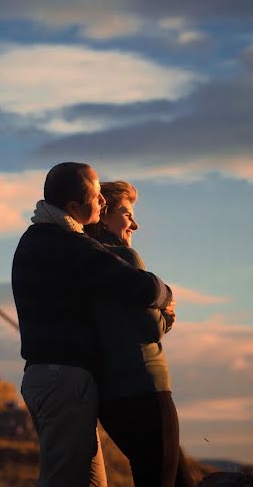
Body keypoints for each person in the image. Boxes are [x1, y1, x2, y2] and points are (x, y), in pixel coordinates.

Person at [12, 162, 172, 487]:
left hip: (50, 377)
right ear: (73, 207)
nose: (103, 203)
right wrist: (166, 295)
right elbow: (143, 287)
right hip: (64, 379)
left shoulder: (35, 239)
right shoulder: (68, 244)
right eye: (98, 196)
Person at [86, 181, 194, 487]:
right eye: (126, 213)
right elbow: (151, 330)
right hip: (147, 390)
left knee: (176, 478)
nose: (135, 223)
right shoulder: (126, 259)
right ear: (103, 215)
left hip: (110, 399)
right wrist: (167, 314)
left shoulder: (84, 265)